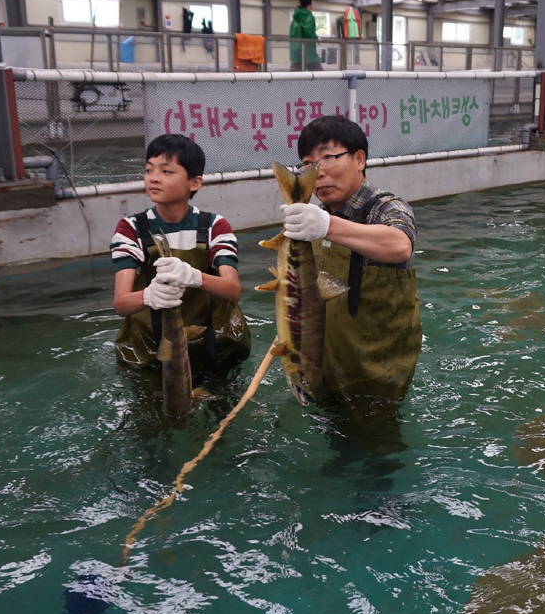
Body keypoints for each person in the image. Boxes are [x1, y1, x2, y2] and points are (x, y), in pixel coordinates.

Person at [279, 115, 421, 402]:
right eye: (307, 164)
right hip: (324, 368)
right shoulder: (314, 216)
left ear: (359, 159)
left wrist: (327, 227)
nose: (317, 172)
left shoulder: (386, 207)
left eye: (328, 158)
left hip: (377, 378)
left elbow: (400, 244)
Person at [110, 134, 250, 372]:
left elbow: (233, 290)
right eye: (148, 170)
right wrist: (148, 296)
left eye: (166, 172)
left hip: (214, 349)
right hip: (150, 356)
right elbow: (121, 303)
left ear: (194, 183)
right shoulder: (131, 228)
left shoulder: (214, 226)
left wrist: (195, 277)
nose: (153, 179)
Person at [289, 0, 322, 72]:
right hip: (308, 53)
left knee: (295, 77)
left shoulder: (295, 18)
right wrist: (317, 39)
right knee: (320, 75)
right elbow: (309, 31)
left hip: (296, 53)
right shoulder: (308, 16)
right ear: (309, 4)